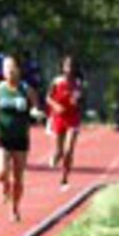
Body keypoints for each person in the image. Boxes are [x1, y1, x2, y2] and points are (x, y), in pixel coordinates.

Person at [0, 55, 43, 222]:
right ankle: (4, 185)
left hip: (20, 138)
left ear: (19, 70)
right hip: (2, 136)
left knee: (18, 178)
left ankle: (15, 208)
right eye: (6, 68)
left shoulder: (26, 90)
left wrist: (36, 113)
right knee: (1, 173)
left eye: (12, 68)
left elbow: (35, 107)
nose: (9, 72)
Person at [46, 55, 82, 189]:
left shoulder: (78, 82)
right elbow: (48, 98)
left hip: (72, 118)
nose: (69, 68)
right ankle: (55, 157)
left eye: (71, 66)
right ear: (62, 67)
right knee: (59, 152)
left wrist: (77, 100)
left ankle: (65, 178)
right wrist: (55, 106)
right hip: (58, 117)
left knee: (68, 151)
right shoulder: (56, 81)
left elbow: (79, 99)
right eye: (67, 65)